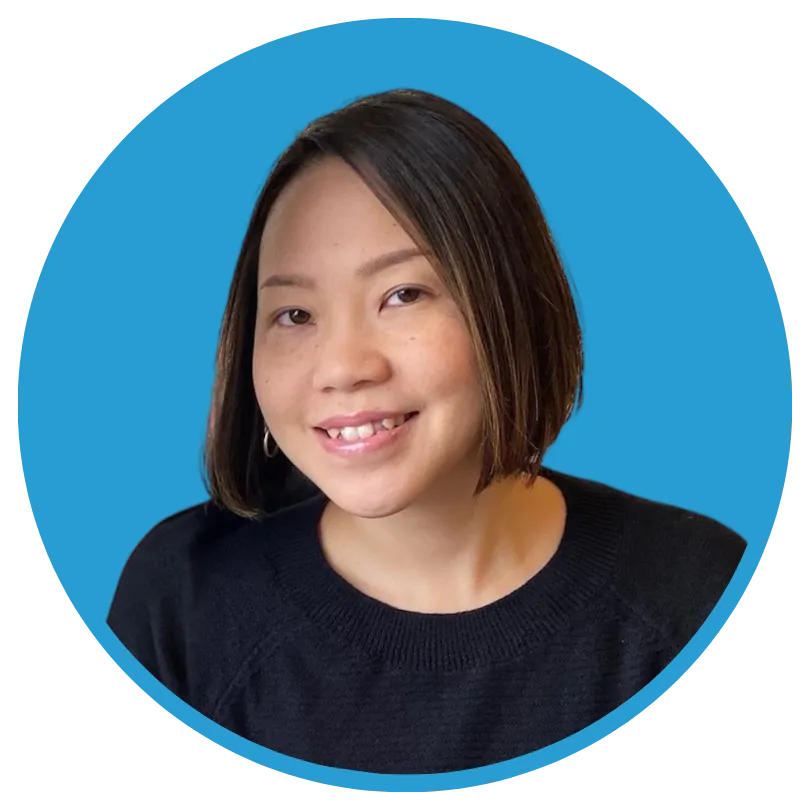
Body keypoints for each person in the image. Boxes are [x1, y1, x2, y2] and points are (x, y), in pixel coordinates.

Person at [107, 88, 746, 775]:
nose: (342, 368)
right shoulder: (182, 602)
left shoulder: (695, 596)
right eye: (294, 314)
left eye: (403, 295)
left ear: (510, 305)